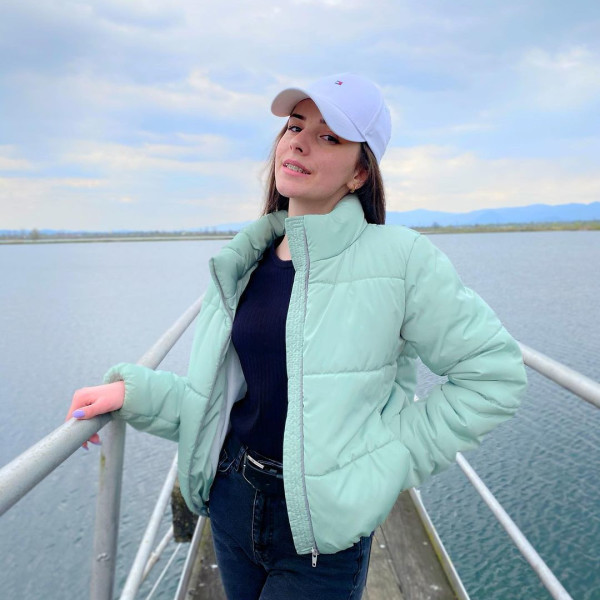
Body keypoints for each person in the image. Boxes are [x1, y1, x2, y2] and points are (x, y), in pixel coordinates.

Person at [67, 73, 527, 600]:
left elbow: (494, 377)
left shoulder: (401, 260)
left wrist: (385, 457)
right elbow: (224, 400)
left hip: (320, 536)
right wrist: (131, 393)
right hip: (233, 500)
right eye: (294, 125)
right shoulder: (246, 260)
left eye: (329, 136)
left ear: (360, 173)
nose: (300, 142)